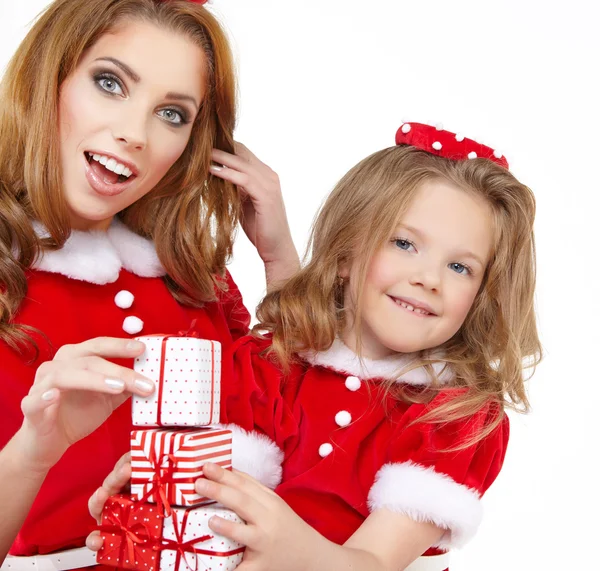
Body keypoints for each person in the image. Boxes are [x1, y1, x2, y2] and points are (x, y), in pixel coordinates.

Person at [89, 122, 540, 571]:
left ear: (482, 294)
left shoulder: (453, 417)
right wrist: (151, 510)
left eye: (461, 267)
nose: (429, 278)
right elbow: (208, 507)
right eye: (404, 243)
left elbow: (371, 563)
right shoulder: (271, 368)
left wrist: (283, 543)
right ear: (345, 255)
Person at [0, 0, 299, 568]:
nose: (135, 134)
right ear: (48, 78)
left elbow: (288, 435)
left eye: (172, 114)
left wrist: (278, 257)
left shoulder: (190, 276)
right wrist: (34, 452)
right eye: (109, 82)